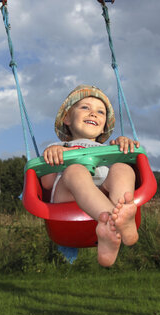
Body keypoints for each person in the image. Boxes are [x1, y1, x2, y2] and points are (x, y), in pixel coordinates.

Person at [41, 85, 140, 267]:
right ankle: (115, 222)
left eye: (100, 112)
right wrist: (52, 155)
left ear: (104, 127)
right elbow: (46, 184)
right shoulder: (59, 146)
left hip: (104, 193)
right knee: (75, 171)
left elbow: (137, 166)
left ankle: (120, 217)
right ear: (67, 118)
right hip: (67, 202)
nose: (93, 113)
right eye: (85, 107)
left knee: (122, 168)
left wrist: (124, 144)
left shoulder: (110, 148)